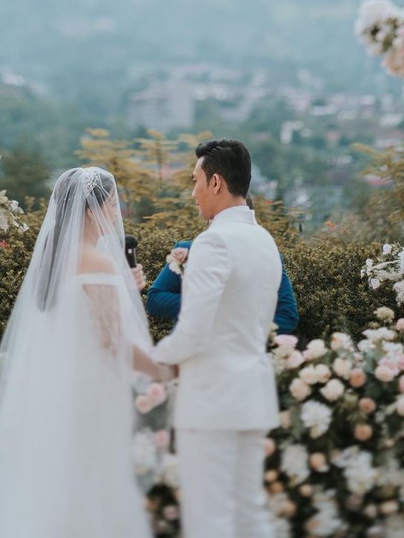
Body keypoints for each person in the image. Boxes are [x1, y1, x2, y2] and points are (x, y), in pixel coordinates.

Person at [0, 167, 170, 538]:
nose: (116, 215)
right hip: (94, 390)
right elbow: (113, 340)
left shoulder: (53, 259)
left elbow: (81, 320)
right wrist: (164, 371)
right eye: (111, 205)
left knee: (60, 484)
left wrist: (125, 287)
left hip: (59, 386)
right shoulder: (98, 261)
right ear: (91, 211)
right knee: (95, 485)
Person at [154, 140, 281, 538]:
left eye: (195, 181)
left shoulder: (213, 241)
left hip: (212, 402)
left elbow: (193, 331)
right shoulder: (264, 240)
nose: (192, 192)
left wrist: (147, 358)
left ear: (215, 182)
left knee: (210, 520)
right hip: (252, 396)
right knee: (250, 516)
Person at [146, 200, 298, 333]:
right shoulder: (187, 251)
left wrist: (245, 331)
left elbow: (287, 316)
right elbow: (155, 299)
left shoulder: (269, 257)